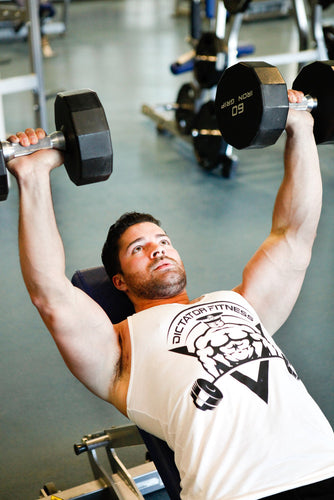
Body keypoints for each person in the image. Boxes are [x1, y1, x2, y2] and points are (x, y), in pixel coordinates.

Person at [6, 89, 334, 499]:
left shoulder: (241, 305)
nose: (157, 248)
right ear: (119, 282)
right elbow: (49, 294)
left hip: (324, 465)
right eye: (138, 248)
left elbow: (293, 236)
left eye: (162, 240)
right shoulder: (119, 353)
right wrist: (33, 176)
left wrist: (301, 126)